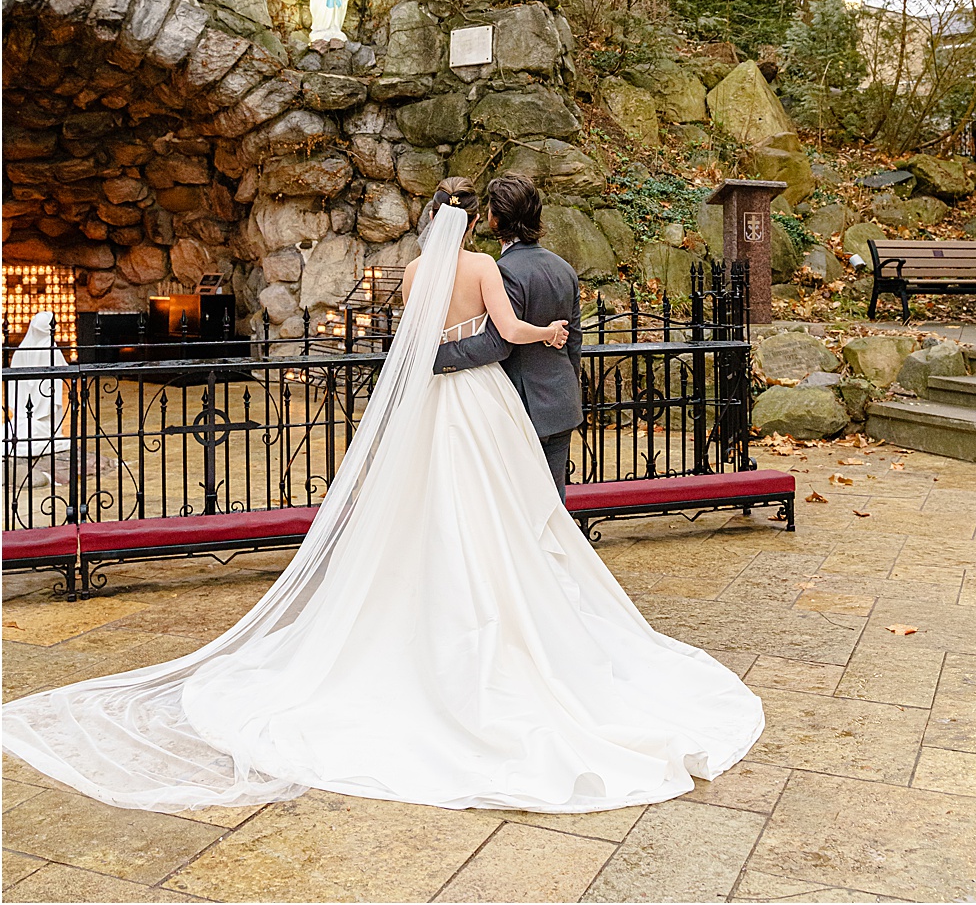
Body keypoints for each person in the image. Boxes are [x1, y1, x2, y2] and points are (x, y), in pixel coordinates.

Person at [0, 182, 764, 814]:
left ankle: (416, 606)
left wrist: (432, 358)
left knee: (421, 505)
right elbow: (504, 334)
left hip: (431, 407)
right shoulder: (485, 270)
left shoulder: (410, 275)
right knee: (502, 510)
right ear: (476, 224)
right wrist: (549, 334)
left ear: (430, 221)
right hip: (482, 404)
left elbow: (412, 343)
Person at [431, 175, 583, 493]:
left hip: (523, 406)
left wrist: (437, 357)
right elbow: (574, 343)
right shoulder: (564, 269)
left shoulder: (505, 272)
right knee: (552, 503)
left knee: (520, 505)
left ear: (495, 219)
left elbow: (498, 342)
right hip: (561, 401)